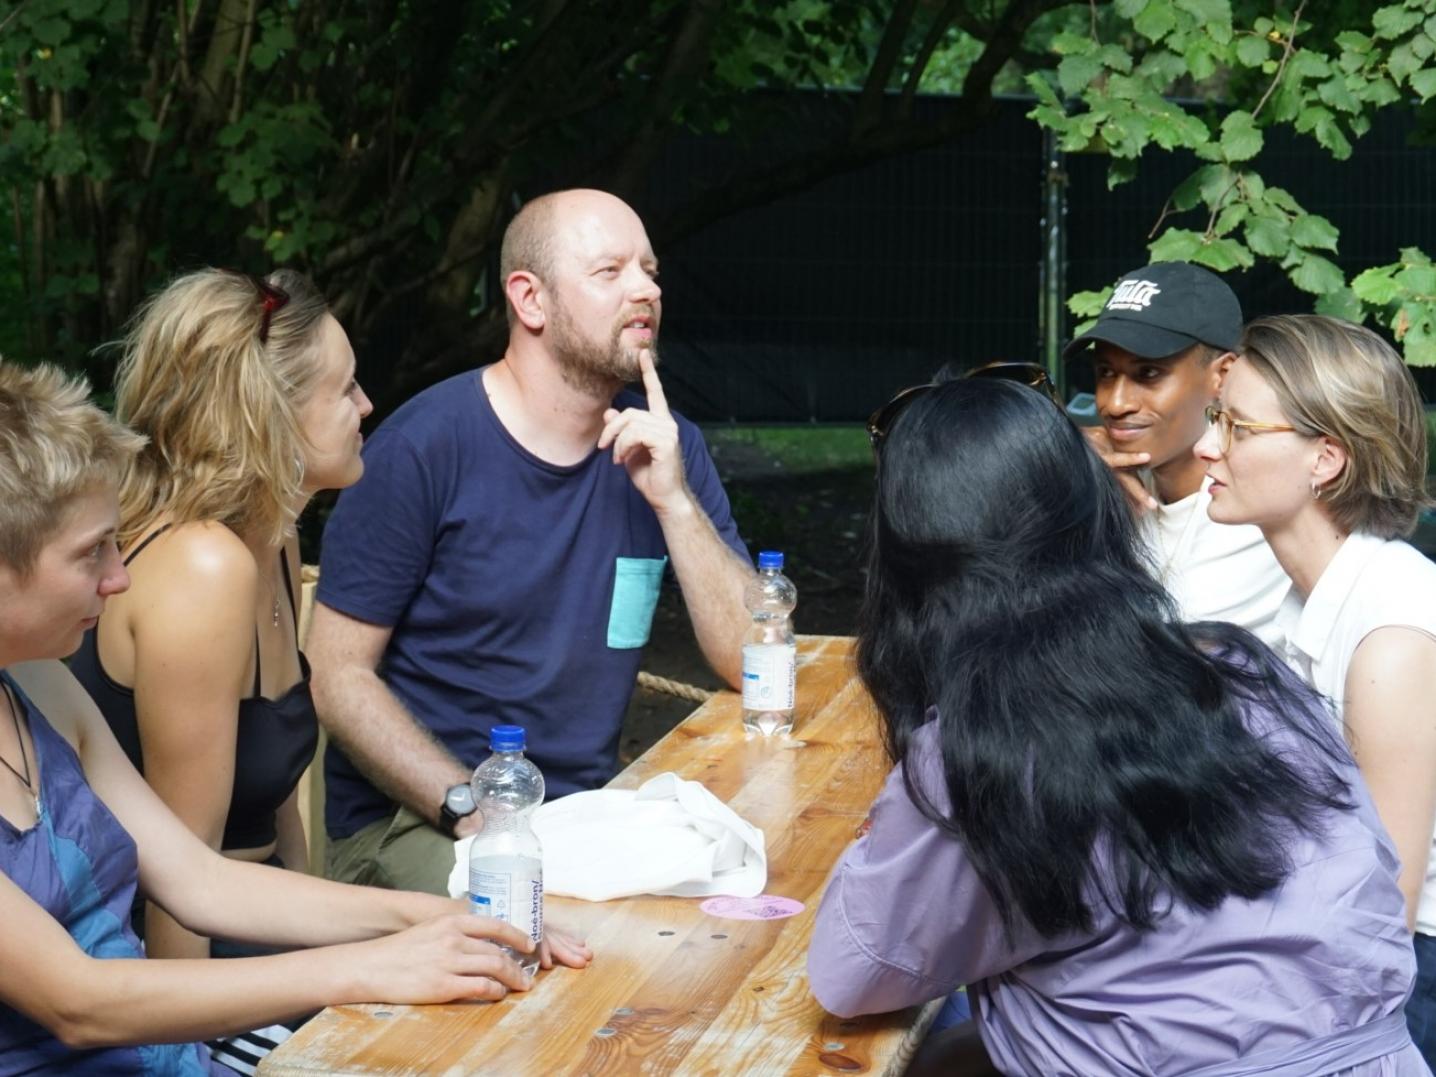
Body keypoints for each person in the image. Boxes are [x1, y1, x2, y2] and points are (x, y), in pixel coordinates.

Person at [808, 376, 1424, 1074]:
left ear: (911, 566)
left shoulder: (982, 748)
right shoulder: (1243, 670)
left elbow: (852, 970)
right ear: (1094, 513)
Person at [0, 363, 591, 1074]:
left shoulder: (40, 686)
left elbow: (200, 881)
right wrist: (367, 967)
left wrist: (437, 917)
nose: (119, 574)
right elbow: (80, 1001)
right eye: (90, 550)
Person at [308, 188, 754, 895]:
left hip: (585, 820)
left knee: (740, 892)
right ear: (530, 300)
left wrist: (674, 500)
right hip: (414, 824)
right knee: (554, 924)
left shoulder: (668, 443)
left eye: (650, 270)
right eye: (610, 273)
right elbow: (335, 677)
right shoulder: (421, 449)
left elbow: (751, 662)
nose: (644, 290)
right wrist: (469, 807)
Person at [1195, 313, 1436, 1065]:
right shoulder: (1317, 591)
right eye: (1214, 419)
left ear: (1324, 459)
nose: (1206, 446)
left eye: (1235, 426)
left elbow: (1383, 912)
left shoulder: (1391, 636)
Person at [1064, 262, 1288, 645]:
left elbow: (1148, 656)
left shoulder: (1257, 510)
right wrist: (1070, 462)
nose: (1115, 403)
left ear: (1223, 375)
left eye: (1148, 374)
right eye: (1105, 373)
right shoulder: (1108, 482)